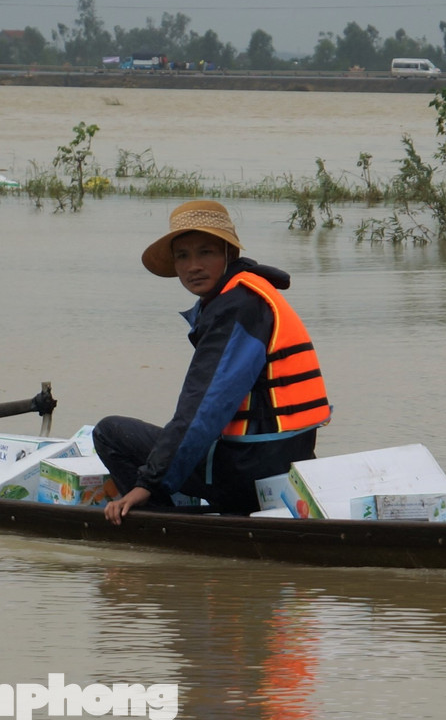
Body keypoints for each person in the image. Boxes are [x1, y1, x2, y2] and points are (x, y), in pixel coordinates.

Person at [97, 200, 330, 522]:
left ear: (227, 254)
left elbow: (204, 408)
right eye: (183, 256)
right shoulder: (251, 293)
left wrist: (146, 483)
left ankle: (156, 522)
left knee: (109, 432)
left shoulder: (236, 307)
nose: (193, 266)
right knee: (174, 441)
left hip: (248, 473)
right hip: (286, 469)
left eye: (205, 252)